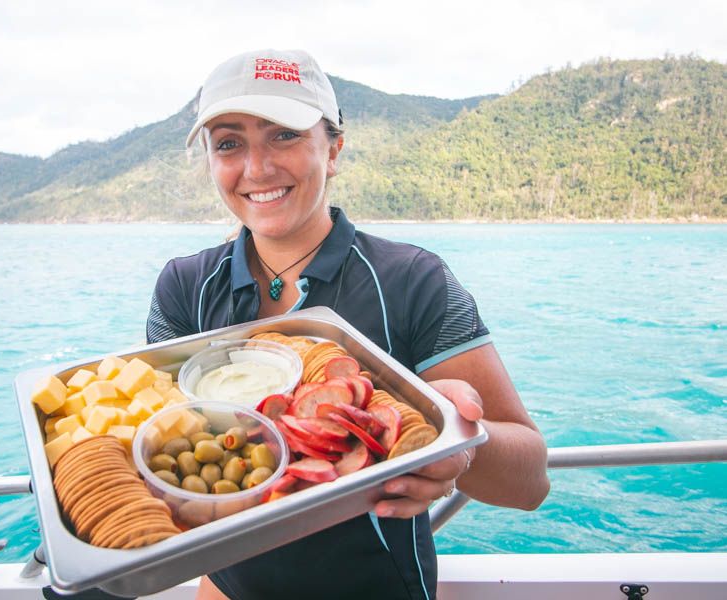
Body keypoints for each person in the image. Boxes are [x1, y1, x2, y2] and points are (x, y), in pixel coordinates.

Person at [146, 49, 549, 600]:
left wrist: (457, 438)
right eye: (229, 143)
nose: (257, 168)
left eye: (284, 135)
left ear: (333, 150)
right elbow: (156, 448)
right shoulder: (184, 288)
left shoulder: (414, 280)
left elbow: (531, 482)